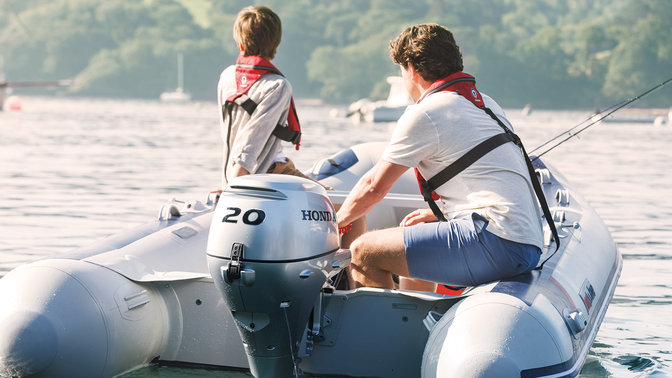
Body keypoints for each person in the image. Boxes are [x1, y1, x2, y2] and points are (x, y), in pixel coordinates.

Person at [336, 24, 544, 291]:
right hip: (526, 244)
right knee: (411, 237)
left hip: (496, 241)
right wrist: (443, 215)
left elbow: (373, 186)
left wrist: (337, 222)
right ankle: (412, 327)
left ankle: (379, 332)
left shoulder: (426, 112)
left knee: (364, 251)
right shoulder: (486, 104)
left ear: (411, 69)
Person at [215, 6, 320, 190]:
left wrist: (228, 182)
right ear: (276, 44)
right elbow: (250, 146)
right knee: (353, 208)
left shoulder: (227, 77)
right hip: (269, 173)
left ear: (240, 44)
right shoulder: (277, 86)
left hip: (230, 174)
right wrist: (234, 190)